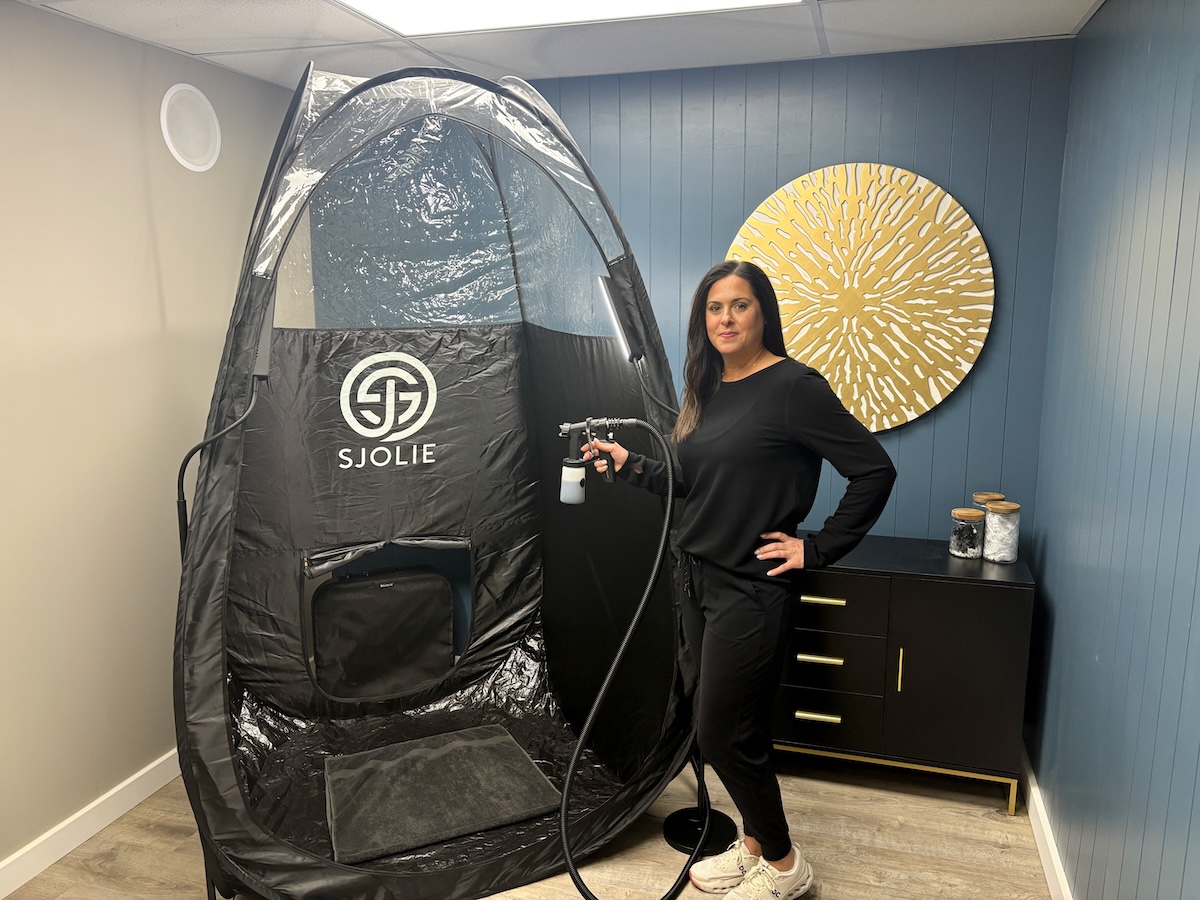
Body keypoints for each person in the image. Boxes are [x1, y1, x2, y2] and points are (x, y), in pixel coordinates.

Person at [586, 259, 895, 900]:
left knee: (725, 733)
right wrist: (631, 465)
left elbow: (874, 470)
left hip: (752, 593)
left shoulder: (794, 388)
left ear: (764, 313)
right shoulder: (713, 388)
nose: (725, 319)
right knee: (724, 728)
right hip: (698, 582)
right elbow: (697, 486)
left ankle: (783, 864)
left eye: (740, 305)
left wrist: (819, 547)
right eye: (714, 308)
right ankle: (752, 843)